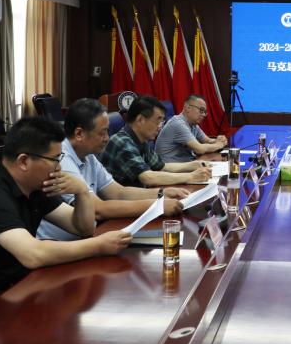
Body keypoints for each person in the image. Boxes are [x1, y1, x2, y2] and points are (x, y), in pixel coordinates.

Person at [0, 116, 131, 292]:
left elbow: (83, 227)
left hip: (20, 287)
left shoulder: (34, 187)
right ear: (24, 161)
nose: (59, 167)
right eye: (55, 159)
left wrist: (82, 192)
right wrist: (99, 245)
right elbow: (33, 255)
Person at [37, 98, 188, 241]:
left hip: (88, 237)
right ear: (79, 134)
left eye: (107, 132)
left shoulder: (88, 155)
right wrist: (156, 206)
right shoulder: (61, 158)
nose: (107, 138)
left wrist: (161, 193)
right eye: (102, 133)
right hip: (60, 245)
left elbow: (118, 192)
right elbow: (97, 209)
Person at [102, 95, 213, 187]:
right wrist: (191, 176)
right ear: (140, 119)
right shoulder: (121, 142)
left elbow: (163, 166)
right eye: (158, 120)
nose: (160, 127)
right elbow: (148, 177)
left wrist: (194, 165)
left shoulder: (141, 140)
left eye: (162, 121)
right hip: (124, 202)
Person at [155, 94, 227, 163]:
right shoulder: (178, 124)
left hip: (185, 162)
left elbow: (207, 140)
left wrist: (219, 140)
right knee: (212, 158)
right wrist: (219, 145)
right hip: (171, 167)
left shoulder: (193, 124)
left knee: (218, 157)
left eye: (205, 112)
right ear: (187, 108)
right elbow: (199, 149)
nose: (203, 115)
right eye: (201, 110)